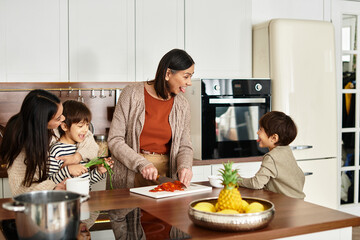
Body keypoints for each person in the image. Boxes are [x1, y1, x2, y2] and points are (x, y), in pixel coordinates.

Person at [108, 48, 195, 190]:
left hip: (164, 175)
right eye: (186, 76)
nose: (189, 82)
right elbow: (115, 140)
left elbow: (184, 145)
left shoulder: (182, 105)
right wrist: (142, 164)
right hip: (131, 172)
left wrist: (185, 166)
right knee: (128, 212)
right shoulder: (131, 94)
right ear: (167, 73)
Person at [0, 89, 98, 196]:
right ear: (42, 122)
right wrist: (55, 185)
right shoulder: (20, 149)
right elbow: (22, 192)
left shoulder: (54, 127)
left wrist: (77, 157)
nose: (63, 118)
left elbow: (88, 137)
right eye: (58, 118)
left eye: (62, 114)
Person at [238, 111, 306, 199]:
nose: (257, 133)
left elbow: (256, 183)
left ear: (274, 138)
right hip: (298, 202)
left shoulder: (271, 157)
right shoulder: (286, 150)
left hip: (287, 203)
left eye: (261, 130)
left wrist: (237, 179)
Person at [48, 100, 112, 188]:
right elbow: (48, 183)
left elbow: (86, 181)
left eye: (87, 125)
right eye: (80, 126)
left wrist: (99, 172)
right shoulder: (56, 150)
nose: (85, 130)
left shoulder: (81, 148)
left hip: (84, 198)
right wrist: (67, 170)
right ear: (64, 126)